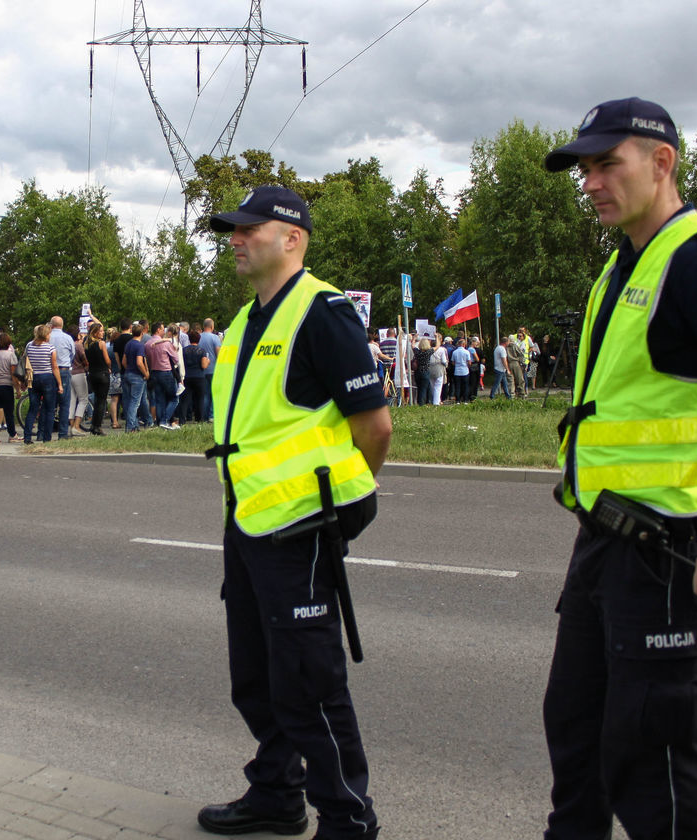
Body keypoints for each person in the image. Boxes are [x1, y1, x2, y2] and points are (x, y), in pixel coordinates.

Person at [541, 97, 697, 840]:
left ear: (662, 162)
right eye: (584, 169)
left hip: (664, 551)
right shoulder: (623, 266)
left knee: (655, 761)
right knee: (576, 732)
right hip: (603, 544)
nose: (590, 183)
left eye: (607, 163)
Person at [201, 187, 390, 840]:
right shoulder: (243, 322)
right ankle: (277, 794)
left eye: (248, 228)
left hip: (301, 530)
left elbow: (376, 426)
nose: (235, 238)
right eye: (232, 229)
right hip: (247, 524)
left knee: (310, 687)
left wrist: (343, 505)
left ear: (292, 238)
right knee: (255, 680)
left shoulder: (323, 311)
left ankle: (347, 820)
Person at [23, 324, 61, 443]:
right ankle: (46, 437)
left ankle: (27, 436)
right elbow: (54, 367)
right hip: (47, 377)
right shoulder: (50, 348)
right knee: (49, 409)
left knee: (33, 408)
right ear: (45, 335)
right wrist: (59, 383)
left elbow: (25, 359)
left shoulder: (29, 346)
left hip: (34, 377)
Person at [0, 333, 20, 443]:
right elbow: (13, 374)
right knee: (8, 411)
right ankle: (12, 434)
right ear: (8, 343)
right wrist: (18, 389)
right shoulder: (11, 355)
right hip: (6, 385)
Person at [82, 321, 111, 436]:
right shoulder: (101, 344)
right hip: (102, 372)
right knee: (101, 401)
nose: (103, 333)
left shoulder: (86, 344)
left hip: (92, 373)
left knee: (97, 399)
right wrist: (109, 366)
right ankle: (97, 426)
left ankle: (94, 425)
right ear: (96, 333)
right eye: (101, 331)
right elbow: (107, 360)